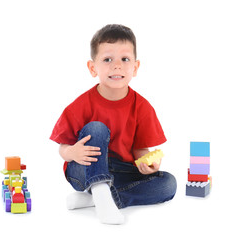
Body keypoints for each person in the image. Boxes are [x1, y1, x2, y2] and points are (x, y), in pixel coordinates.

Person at [50, 24, 177, 225]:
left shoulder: (142, 107)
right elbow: (63, 147)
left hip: (120, 172)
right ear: (93, 68)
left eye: (125, 59)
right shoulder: (80, 105)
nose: (117, 66)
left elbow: (140, 149)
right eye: (107, 59)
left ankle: (100, 199)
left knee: (168, 184)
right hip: (84, 169)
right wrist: (71, 153)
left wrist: (147, 162)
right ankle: (100, 191)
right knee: (96, 128)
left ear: (135, 67)